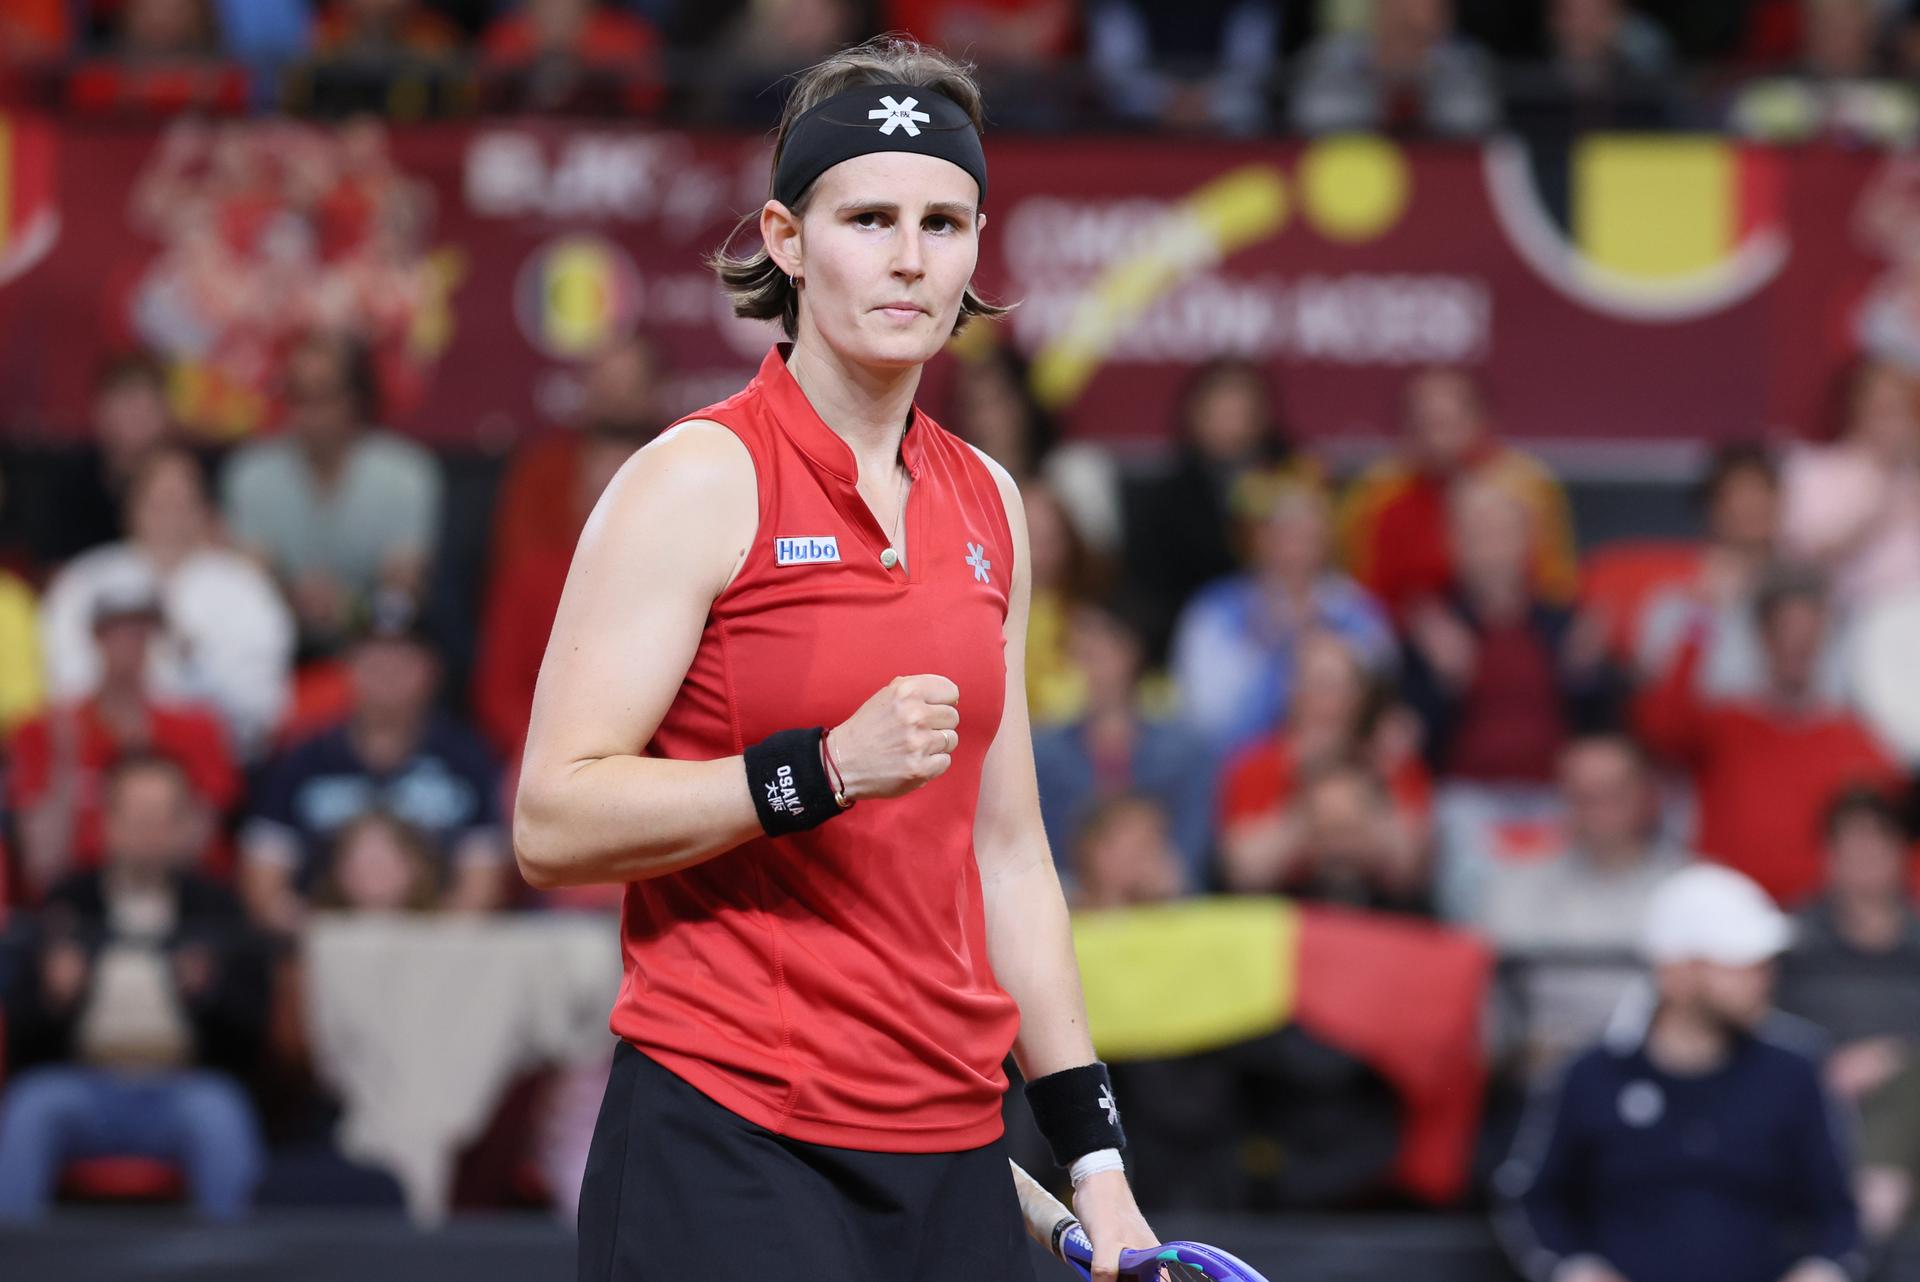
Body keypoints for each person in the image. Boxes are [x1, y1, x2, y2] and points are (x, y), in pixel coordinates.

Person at [511, 37, 1156, 1281]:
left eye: (943, 221)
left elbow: (1009, 856)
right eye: (868, 217)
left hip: (955, 1144)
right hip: (730, 1131)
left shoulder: (994, 507)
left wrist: (1100, 1168)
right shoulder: (698, 477)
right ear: (787, 239)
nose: (911, 257)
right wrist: (813, 771)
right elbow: (553, 816)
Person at [1495, 863, 1863, 1282]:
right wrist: (1574, 1268)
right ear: (1676, 973)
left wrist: (1823, 1271)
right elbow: (1532, 1197)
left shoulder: (1795, 1070)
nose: (1763, 978)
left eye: (1764, 963)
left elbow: (1840, 1210)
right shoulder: (1589, 1074)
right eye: (1739, 963)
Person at [0, 753, 269, 1223]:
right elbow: (24, 1035)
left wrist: (205, 996)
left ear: (187, 825)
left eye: (164, 818)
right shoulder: (68, 901)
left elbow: (251, 1042)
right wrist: (57, 997)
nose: (149, 832)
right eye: (136, 816)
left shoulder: (217, 907)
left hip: (182, 1085)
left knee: (221, 1116)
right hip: (82, 1083)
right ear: (109, 822)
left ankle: (233, 1263)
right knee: (30, 1110)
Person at [1635, 564, 1901, 905]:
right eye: (1783, 630)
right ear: (1761, 634)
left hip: (1821, 930)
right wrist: (1701, 619)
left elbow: (1896, 838)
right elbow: (1660, 728)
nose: (1796, 645)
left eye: (1810, 632)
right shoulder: (1727, 725)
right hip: (1730, 918)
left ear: (1825, 637)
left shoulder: (1856, 740)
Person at [240, 593, 506, 932]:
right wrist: (328, 939)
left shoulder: (468, 760)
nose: (387, 672)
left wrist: (421, 942)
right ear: (348, 667)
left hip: (438, 953)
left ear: (431, 670)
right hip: (321, 950)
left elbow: (482, 883)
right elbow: (265, 884)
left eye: (403, 660)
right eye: (373, 659)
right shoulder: (303, 761)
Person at [39, 447, 295, 759]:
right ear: (130, 508)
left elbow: (260, 705)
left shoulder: (244, 588)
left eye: (181, 502)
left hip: (209, 759)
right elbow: (63, 681)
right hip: (101, 754)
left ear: (204, 510)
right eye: (157, 502)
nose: (169, 515)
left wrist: (190, 667)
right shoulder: (85, 579)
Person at [7, 584, 238, 899]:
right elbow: (42, 863)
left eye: (141, 632)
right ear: (96, 637)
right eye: (117, 632)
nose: (130, 643)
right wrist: (65, 762)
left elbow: (200, 841)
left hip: (178, 897)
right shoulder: (46, 730)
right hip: (79, 899)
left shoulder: (197, 728)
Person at [221, 328, 442, 648]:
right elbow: (247, 589)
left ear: (354, 399)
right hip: (275, 644)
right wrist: (293, 602)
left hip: (375, 643)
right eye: (297, 395)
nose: (309, 413)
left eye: (323, 394)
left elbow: (404, 600)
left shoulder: (406, 475)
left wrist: (350, 610)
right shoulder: (250, 474)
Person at [1401, 477, 1623, 785]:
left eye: (1504, 533)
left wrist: (1587, 677)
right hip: (1463, 797)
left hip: (1558, 796)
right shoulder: (1434, 627)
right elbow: (1411, 737)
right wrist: (1444, 682)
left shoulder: (1566, 624)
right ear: (1456, 544)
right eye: (1480, 535)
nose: (1494, 548)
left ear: (1530, 542)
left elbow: (1603, 729)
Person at [1777, 787, 1920, 1241]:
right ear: (1829, 854)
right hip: (1811, 1090)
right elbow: (1760, 1025)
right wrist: (1820, 1066)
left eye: (1877, 841)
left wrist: (1890, 1057)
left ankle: (1863, 1228)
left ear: (1900, 851)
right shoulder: (1791, 940)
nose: (1865, 857)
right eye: (1850, 844)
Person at [1170, 475, 1395, 756]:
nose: (1296, 550)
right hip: (1235, 764)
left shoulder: (1358, 609)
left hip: (1343, 762)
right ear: (1260, 541)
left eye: (1309, 536)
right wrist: (1266, 644)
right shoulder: (1215, 610)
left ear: (1327, 542)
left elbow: (1382, 702)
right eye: (1286, 536)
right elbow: (1204, 716)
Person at [1339, 365, 1578, 618]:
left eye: (1446, 423)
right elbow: (1362, 599)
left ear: (1481, 422)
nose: (1434, 438)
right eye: (1422, 424)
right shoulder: (1378, 493)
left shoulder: (1527, 486)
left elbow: (1556, 588)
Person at [1216, 630, 1431, 897]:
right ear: (1292, 692)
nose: (1327, 701)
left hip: (1377, 917)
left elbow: (1408, 871)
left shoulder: (1392, 761)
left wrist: (1370, 785)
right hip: (1287, 913)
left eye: (1341, 687)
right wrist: (1311, 797)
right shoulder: (1255, 764)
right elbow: (1244, 871)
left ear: (1360, 698)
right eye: (1317, 684)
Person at [1032, 593, 1216, 890]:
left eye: (1095, 652)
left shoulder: (1187, 751)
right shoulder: (1043, 754)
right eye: (1076, 654)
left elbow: (1192, 858)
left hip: (1166, 905)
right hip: (1076, 907)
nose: (1085, 667)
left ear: (1131, 653)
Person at [1480, 734, 1692, 953]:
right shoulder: (1515, 884)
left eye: (1611, 794)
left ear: (1648, 797)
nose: (1596, 810)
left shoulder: (1692, 887)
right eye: (1581, 796)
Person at [1779, 359, 1920, 607]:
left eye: (1901, 409)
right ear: (1856, 407)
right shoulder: (1818, 471)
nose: (1893, 422)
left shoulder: (1913, 472)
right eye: (1883, 408)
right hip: (1859, 614)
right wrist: (1885, 489)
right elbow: (1804, 559)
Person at [1291, 0, 1501, 137]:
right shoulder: (1335, 57)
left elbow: (1472, 119)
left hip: (1441, 176)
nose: (1406, 9)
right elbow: (1317, 115)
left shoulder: (1466, 62)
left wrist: (1422, 81)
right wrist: (1380, 81)